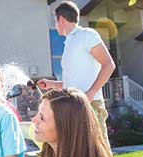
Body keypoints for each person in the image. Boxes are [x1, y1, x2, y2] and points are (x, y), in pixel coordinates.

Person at [37, 1, 115, 143]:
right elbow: (72, 83)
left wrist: (91, 93)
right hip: (73, 105)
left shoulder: (86, 35)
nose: (55, 24)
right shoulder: (69, 42)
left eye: (55, 20)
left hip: (90, 105)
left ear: (61, 19)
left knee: (99, 152)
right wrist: (51, 84)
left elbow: (109, 64)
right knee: (79, 153)